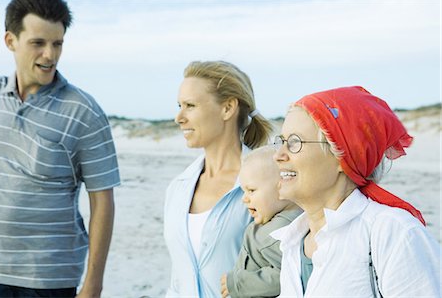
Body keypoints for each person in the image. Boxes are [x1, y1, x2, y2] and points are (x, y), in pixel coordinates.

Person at [0, 0, 120, 297]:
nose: (50, 55)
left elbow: (103, 202)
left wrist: (93, 284)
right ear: (10, 40)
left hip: (48, 281)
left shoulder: (84, 112)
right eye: (38, 43)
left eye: (57, 44)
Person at [271, 86, 441, 297]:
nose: (278, 155)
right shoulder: (294, 240)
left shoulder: (393, 233)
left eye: (294, 143)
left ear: (342, 157)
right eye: (281, 142)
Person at [163, 60, 273, 297]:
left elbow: (281, 272)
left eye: (190, 105)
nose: (178, 117)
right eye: (179, 105)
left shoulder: (267, 185)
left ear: (227, 108)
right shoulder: (177, 188)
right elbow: (177, 281)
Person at [220, 146, 302, 298]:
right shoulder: (300, 219)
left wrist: (237, 283)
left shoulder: (274, 233)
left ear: (281, 188)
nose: (244, 198)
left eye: (251, 190)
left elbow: (286, 275)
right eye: (244, 191)